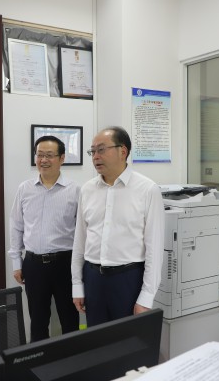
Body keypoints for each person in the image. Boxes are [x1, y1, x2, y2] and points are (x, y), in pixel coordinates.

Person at [71, 126, 165, 327]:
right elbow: (80, 241)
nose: (95, 156)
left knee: (128, 340)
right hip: (93, 278)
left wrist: (146, 297)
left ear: (123, 151)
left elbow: (154, 249)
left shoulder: (147, 189)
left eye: (101, 149)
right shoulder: (87, 190)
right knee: (97, 338)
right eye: (92, 151)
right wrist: (77, 285)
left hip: (128, 280)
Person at [9, 135, 80, 342]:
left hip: (65, 263)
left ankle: (71, 358)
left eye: (49, 155)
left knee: (70, 317)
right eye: (40, 155)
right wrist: (16, 263)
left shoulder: (75, 190)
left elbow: (83, 232)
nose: (43, 160)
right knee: (38, 320)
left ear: (62, 158)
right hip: (34, 264)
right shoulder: (25, 188)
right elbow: (16, 226)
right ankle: (40, 358)